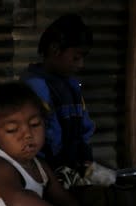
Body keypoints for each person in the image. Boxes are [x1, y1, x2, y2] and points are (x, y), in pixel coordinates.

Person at [20, 14, 95, 176]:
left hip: (70, 167)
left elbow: (84, 124)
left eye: (83, 58)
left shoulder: (72, 85)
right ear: (55, 49)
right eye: (76, 57)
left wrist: (85, 154)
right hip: (45, 170)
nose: (81, 65)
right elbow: (48, 135)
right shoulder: (35, 85)